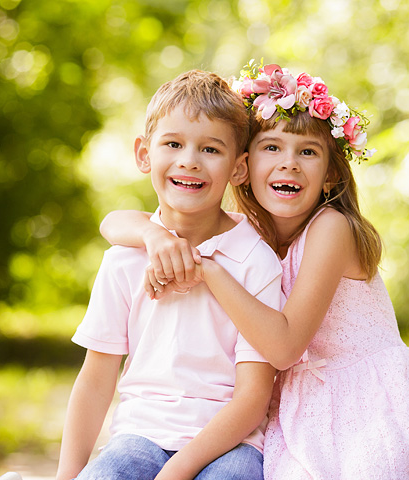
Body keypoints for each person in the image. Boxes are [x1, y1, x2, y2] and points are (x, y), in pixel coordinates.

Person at [100, 62, 409, 479]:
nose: (288, 164)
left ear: (329, 175)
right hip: (300, 404)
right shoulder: (253, 233)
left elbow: (286, 347)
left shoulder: (331, 228)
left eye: (307, 151)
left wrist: (209, 270)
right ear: (244, 166)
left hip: (364, 402)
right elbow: (114, 222)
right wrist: (154, 236)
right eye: (272, 147)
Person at [56, 69, 283, 480]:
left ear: (239, 168)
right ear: (144, 154)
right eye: (173, 143)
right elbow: (95, 379)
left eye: (211, 149)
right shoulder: (124, 258)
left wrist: (177, 471)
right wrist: (67, 477)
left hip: (231, 442)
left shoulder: (255, 259)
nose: (189, 161)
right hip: (139, 436)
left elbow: (253, 398)